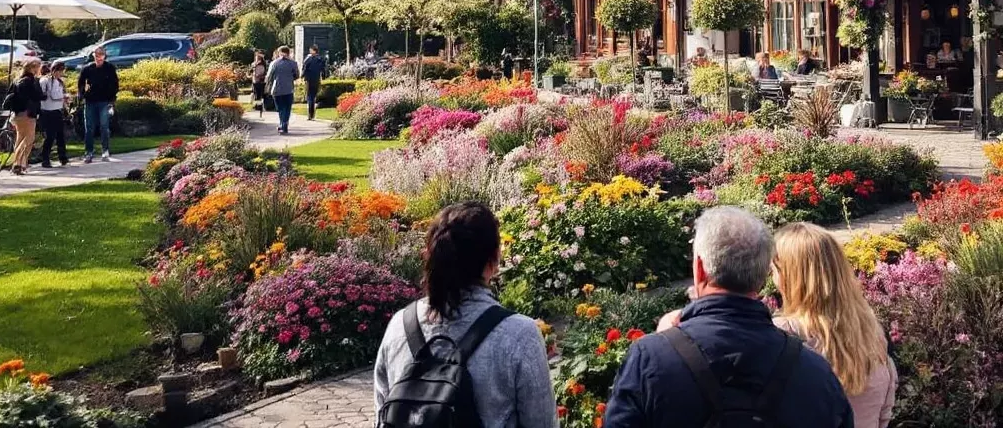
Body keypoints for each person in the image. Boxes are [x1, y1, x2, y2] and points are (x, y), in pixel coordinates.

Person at [605, 206, 854, 428]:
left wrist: (662, 348)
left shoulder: (650, 360)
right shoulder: (816, 371)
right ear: (764, 276)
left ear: (699, 269)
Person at [374, 201, 558, 428]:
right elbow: (541, 423)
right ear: (494, 259)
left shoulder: (400, 326)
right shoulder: (518, 336)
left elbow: (381, 417)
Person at [773, 223, 896, 428]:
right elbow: (884, 413)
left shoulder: (781, 335)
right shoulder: (873, 333)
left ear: (789, 275)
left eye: (774, 270)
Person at [78, 45, 119, 163]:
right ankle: (88, 152)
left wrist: (112, 99)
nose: (99, 58)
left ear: (104, 56)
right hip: (90, 101)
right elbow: (80, 83)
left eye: (101, 55)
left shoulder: (110, 68)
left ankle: (105, 151)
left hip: (104, 101)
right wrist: (82, 94)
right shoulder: (88, 68)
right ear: (94, 56)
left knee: (104, 127)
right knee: (89, 128)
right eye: (96, 55)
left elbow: (115, 84)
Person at [6, 58, 43, 176]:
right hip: (28, 113)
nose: (39, 70)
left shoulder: (17, 80)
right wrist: (44, 95)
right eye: (38, 67)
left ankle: (19, 164)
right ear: (32, 68)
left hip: (17, 113)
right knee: (29, 139)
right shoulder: (31, 80)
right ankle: (18, 163)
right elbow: (36, 96)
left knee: (20, 137)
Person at [38, 60, 69, 169]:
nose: (61, 73)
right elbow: (48, 95)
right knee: (50, 136)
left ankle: (63, 157)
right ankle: (45, 158)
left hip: (57, 110)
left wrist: (65, 102)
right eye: (60, 71)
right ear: (54, 70)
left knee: (60, 135)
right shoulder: (45, 81)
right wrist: (62, 97)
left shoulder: (59, 82)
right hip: (47, 111)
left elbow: (60, 95)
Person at [266, 45, 299, 135]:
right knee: (287, 108)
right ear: (288, 53)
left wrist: (268, 87)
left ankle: (282, 124)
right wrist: (289, 78)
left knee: (280, 108)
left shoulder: (274, 63)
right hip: (289, 89)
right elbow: (297, 75)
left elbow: (269, 76)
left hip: (277, 89)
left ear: (280, 52)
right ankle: (284, 124)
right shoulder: (293, 63)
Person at [302, 44, 325, 120]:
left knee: (309, 97)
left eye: (310, 50)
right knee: (313, 97)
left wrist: (302, 76)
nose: (309, 51)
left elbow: (304, 68)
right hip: (316, 79)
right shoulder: (320, 59)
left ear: (313, 51)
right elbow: (323, 69)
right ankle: (313, 115)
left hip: (309, 80)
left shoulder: (309, 58)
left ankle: (309, 115)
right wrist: (323, 78)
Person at [250, 50, 268, 117]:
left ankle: (260, 107)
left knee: (260, 94)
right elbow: (251, 72)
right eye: (256, 56)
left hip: (260, 81)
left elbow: (264, 73)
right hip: (255, 81)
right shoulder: (254, 64)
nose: (256, 57)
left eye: (258, 56)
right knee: (257, 94)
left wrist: (259, 76)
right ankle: (258, 106)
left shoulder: (262, 64)